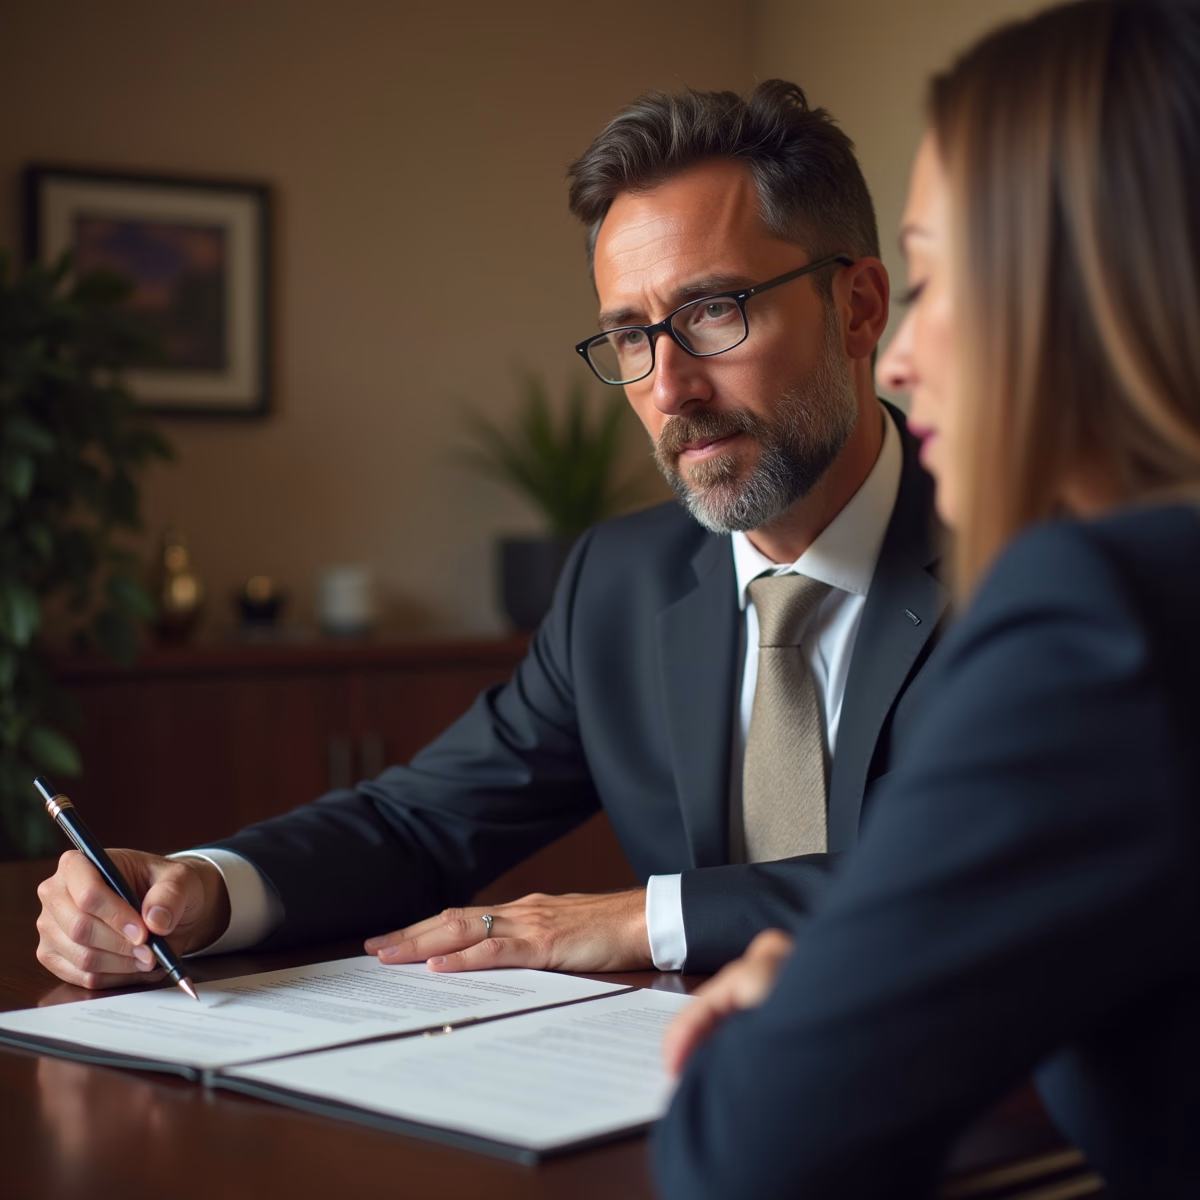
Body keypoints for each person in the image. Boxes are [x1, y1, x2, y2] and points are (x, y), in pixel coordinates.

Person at [34, 82, 945, 989]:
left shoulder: (1012, 557)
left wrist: (647, 917)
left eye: (713, 310)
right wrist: (202, 889)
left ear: (859, 308)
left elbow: (985, 868)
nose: (669, 389)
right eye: (631, 337)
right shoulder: (620, 582)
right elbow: (421, 822)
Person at [652, 2, 1200, 1197]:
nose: (898, 359)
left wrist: (813, 1006)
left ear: (1096, 287)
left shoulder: (1101, 612)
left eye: (940, 275)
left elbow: (748, 1159)